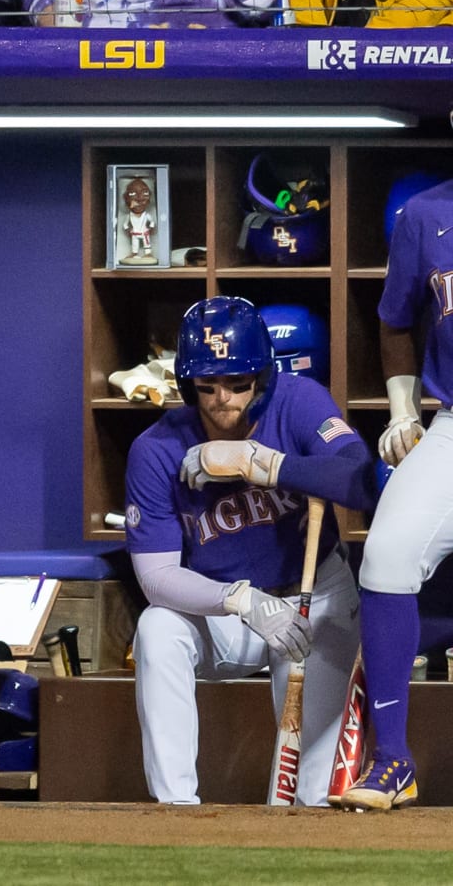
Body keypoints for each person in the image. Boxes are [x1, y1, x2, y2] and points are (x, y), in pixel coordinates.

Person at [124, 296, 375, 806]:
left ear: (263, 376)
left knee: (310, 797)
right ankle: (175, 810)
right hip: (226, 610)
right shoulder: (157, 447)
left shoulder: (299, 400)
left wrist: (260, 461)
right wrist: (241, 600)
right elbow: (155, 578)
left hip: (312, 597)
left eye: (238, 384)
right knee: (157, 628)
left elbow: (359, 478)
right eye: (207, 386)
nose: (222, 399)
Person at [340, 175, 453, 811]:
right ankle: (392, 762)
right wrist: (403, 411)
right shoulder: (426, 214)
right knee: (385, 555)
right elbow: (394, 319)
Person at [120, 176, 156, 265]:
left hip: (144, 233)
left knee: (146, 244)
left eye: (145, 193)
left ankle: (148, 254)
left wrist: (150, 228)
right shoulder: (129, 216)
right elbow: (125, 225)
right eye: (132, 193)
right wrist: (128, 230)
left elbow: (152, 223)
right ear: (125, 198)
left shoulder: (146, 215)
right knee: (135, 244)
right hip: (135, 233)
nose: (140, 199)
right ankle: (134, 253)